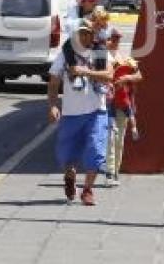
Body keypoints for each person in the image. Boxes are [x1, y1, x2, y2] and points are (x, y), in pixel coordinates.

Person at [47, 19, 113, 206]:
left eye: (88, 33)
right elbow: (53, 83)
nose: (85, 37)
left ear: (93, 35)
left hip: (96, 111)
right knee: (67, 155)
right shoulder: (65, 54)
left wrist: (85, 71)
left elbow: (109, 75)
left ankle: (87, 190)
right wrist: (53, 105)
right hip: (71, 113)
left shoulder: (101, 52)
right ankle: (70, 177)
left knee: (95, 150)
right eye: (81, 33)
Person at [104, 29, 143, 187]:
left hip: (124, 101)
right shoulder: (101, 56)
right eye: (112, 39)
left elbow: (139, 76)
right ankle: (109, 172)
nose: (115, 42)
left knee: (119, 140)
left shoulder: (124, 57)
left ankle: (115, 172)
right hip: (107, 103)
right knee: (110, 138)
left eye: (117, 39)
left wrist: (126, 77)